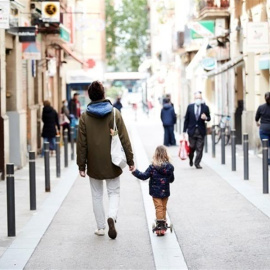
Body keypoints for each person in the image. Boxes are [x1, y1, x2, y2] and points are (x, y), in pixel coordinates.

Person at [77, 81, 135, 239]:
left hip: (94, 163)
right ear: (103, 94)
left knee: (96, 195)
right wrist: (130, 161)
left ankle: (101, 227)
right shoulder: (115, 113)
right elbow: (124, 139)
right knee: (114, 192)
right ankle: (112, 216)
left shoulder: (84, 117)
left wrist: (81, 165)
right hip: (113, 161)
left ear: (90, 96)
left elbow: (81, 144)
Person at [131, 145, 174, 235]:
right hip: (165, 192)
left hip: (155, 192)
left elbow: (143, 176)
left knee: (158, 208)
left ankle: (160, 224)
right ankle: (163, 222)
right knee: (163, 207)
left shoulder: (152, 167)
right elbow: (171, 180)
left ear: (156, 155)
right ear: (166, 155)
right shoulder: (169, 168)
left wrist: (135, 171)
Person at [183, 91, 211, 169]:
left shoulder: (205, 107)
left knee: (200, 148)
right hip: (191, 131)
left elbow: (209, 118)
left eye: (199, 98)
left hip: (201, 131)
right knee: (192, 147)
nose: (198, 99)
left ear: (201, 99)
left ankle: (197, 163)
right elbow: (186, 119)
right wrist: (184, 131)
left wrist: (206, 118)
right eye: (197, 98)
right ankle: (191, 158)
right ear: (194, 99)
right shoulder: (190, 107)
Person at [255, 92, 270, 165]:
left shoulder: (261, 107)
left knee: (265, 145)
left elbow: (256, 118)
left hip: (264, 129)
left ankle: (266, 160)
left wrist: (257, 123)